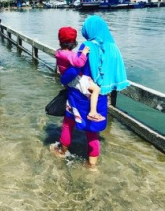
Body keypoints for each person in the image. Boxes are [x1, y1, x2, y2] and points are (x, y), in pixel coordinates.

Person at [50, 16, 128, 170]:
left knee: (68, 124)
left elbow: (74, 70)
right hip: (98, 95)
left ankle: (61, 151)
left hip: (78, 96)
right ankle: (92, 165)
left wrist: (63, 79)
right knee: (93, 132)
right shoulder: (113, 48)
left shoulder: (87, 46)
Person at [55, 27, 104, 122]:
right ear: (73, 42)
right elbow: (79, 63)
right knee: (96, 89)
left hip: (69, 79)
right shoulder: (69, 54)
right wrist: (84, 53)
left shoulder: (59, 52)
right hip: (74, 79)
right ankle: (92, 112)